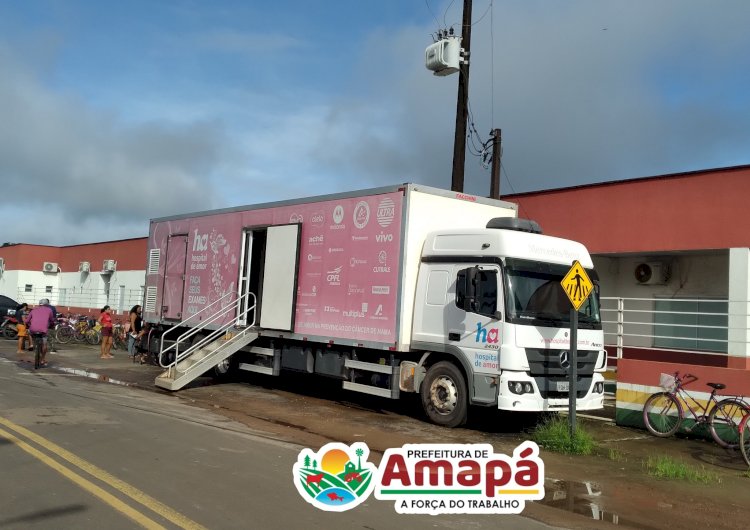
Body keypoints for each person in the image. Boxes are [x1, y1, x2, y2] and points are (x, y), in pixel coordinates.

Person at [26, 299, 55, 367]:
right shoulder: (49, 310)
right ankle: (42, 359)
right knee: (44, 343)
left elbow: (27, 321)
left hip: (33, 329)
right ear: (47, 304)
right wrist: (52, 325)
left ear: (39, 304)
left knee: (29, 332)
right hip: (43, 330)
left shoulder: (33, 310)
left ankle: (31, 344)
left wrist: (29, 325)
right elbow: (52, 320)